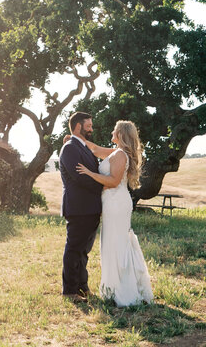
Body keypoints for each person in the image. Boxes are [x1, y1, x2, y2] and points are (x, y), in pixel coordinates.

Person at [72, 120, 154, 307]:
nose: (111, 133)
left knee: (116, 243)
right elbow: (95, 149)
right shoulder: (117, 152)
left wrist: (89, 173)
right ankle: (113, 288)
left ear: (121, 134)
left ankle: (122, 291)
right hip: (112, 202)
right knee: (112, 242)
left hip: (117, 203)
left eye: (114, 131)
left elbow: (113, 181)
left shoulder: (120, 155)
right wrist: (75, 138)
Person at [59, 111, 102, 298]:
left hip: (90, 208)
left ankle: (83, 287)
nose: (91, 129)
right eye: (89, 126)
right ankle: (69, 291)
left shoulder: (82, 147)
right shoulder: (70, 148)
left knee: (84, 251)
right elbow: (80, 177)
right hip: (78, 207)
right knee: (74, 250)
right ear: (78, 126)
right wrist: (106, 185)